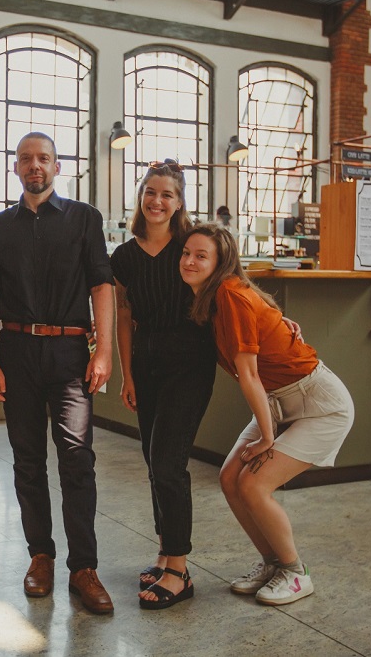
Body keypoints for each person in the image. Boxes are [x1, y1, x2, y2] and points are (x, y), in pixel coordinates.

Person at [0, 132, 115, 615]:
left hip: (70, 353)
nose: (34, 165)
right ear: (15, 167)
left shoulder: (84, 218)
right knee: (27, 460)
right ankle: (41, 556)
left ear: (57, 166)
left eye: (43, 158)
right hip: (17, 352)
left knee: (77, 459)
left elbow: (102, 285)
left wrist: (104, 352)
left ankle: (84, 567)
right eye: (26, 158)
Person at [179, 222, 354, 606]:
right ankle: (273, 563)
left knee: (254, 485)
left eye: (201, 256)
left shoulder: (229, 295)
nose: (189, 261)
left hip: (319, 405)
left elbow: (249, 375)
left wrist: (267, 438)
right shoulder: (212, 297)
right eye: (186, 253)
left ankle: (296, 572)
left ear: (221, 262)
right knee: (230, 479)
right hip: (278, 400)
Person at [110, 160, 216, 610]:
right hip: (146, 365)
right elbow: (123, 315)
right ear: (141, 197)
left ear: (179, 201)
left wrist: (275, 316)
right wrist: (127, 374)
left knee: (169, 464)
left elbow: (231, 284)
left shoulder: (190, 246)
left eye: (167, 194)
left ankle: (179, 571)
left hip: (188, 365)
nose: (157, 201)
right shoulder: (124, 256)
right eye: (150, 192)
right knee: (154, 463)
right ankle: (165, 554)